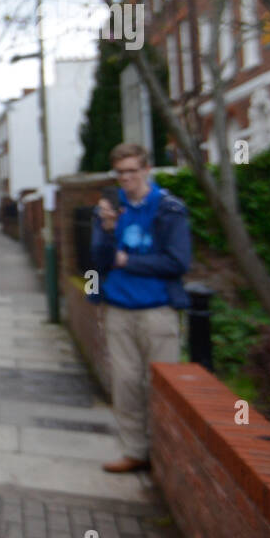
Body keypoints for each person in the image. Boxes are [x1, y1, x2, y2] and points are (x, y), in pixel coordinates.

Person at [90, 142, 191, 473]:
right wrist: (106, 233)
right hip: (119, 309)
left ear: (147, 170)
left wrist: (127, 260)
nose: (126, 178)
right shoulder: (109, 211)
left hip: (157, 310)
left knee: (160, 387)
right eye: (120, 172)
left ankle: (165, 457)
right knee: (126, 383)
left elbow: (177, 261)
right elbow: (96, 261)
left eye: (132, 171)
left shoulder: (169, 209)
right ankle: (135, 450)